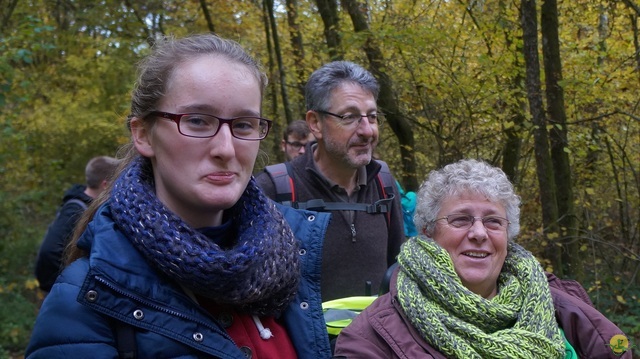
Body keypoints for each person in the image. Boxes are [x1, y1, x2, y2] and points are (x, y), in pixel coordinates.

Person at [26, 33, 333, 359]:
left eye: (243, 125)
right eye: (198, 121)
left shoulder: (289, 260)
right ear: (143, 134)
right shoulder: (86, 300)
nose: (226, 149)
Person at [334, 159, 632, 358]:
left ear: (508, 233)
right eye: (461, 219)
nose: (479, 233)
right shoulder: (369, 339)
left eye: (493, 221)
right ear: (427, 231)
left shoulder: (562, 305)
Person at [256, 61, 405, 301]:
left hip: (377, 338)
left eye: (373, 117)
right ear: (315, 123)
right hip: (302, 339)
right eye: (350, 117)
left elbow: (400, 271)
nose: (367, 130)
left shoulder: (384, 184)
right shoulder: (274, 190)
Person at [35, 155, 119, 292]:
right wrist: (66, 286)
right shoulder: (75, 211)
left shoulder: (84, 206)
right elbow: (49, 252)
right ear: (106, 185)